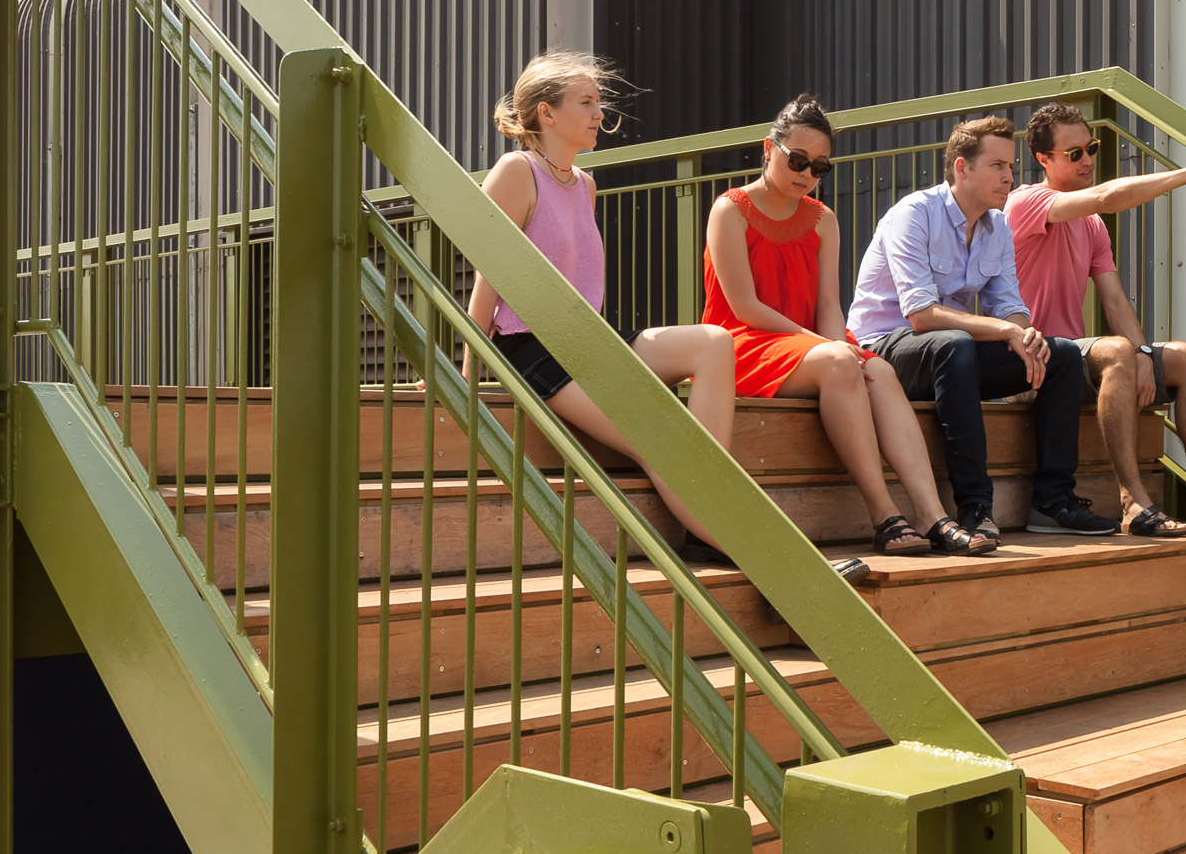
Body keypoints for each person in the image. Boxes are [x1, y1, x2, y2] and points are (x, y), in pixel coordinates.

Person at [467, 51, 740, 561]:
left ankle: (708, 487)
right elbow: (490, 274)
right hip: (533, 346)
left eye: (599, 102)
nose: (600, 114)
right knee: (658, 437)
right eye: (587, 102)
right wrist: (465, 369)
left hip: (588, 340)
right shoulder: (515, 171)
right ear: (546, 113)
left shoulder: (585, 183)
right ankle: (720, 535)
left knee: (713, 342)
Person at [703, 94, 990, 558]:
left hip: (808, 346)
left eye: (820, 167)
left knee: (878, 370)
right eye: (797, 160)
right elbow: (744, 307)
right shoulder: (729, 209)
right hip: (742, 343)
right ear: (768, 148)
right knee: (840, 360)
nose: (806, 174)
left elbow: (829, 307)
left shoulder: (822, 220)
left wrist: (838, 343)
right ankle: (883, 514)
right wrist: (827, 346)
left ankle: (932, 514)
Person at [1006, 99, 1186, 538]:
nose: (1088, 158)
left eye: (1090, 147)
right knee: (1115, 350)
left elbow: (1113, 299)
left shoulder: (1089, 225)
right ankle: (1133, 501)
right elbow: (1108, 197)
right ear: (1043, 159)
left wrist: (1145, 351)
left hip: (1075, 358)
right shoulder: (1027, 202)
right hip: (1032, 360)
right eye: (1075, 154)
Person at [845, 114, 1108, 542]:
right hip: (884, 353)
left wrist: (1024, 334)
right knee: (956, 344)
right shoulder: (912, 214)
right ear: (961, 168)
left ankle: (1054, 500)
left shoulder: (997, 225)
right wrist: (1004, 332)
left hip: (951, 357)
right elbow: (921, 316)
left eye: (1010, 167)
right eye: (997, 166)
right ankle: (974, 507)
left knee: (1059, 354)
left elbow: (1009, 303)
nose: (1009, 177)